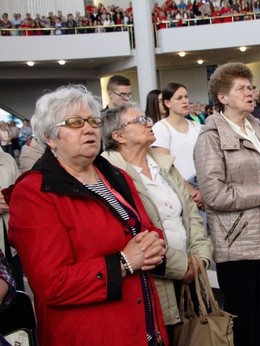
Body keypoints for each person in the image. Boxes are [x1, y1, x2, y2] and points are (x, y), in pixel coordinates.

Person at [7, 85, 168, 345]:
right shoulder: (34, 192)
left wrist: (155, 244)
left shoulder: (115, 175)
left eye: (93, 121)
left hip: (144, 326)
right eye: (75, 122)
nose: (89, 128)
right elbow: (52, 283)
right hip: (90, 334)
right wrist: (125, 262)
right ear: (50, 137)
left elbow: (145, 229)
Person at [101, 103, 213, 345]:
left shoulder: (162, 164)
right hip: (154, 280)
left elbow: (190, 213)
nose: (148, 122)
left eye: (146, 117)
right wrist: (183, 266)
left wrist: (200, 258)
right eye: (139, 120)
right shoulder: (109, 173)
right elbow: (135, 232)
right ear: (118, 136)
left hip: (191, 273)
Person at [193, 62, 260, 346]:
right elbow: (215, 195)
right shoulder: (210, 138)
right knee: (244, 319)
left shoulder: (254, 125)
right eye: (242, 88)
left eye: (251, 86)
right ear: (222, 97)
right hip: (236, 240)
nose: (250, 92)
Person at [152, 82, 204, 210]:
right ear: (167, 103)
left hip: (202, 183)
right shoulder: (161, 127)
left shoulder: (196, 126)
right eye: (179, 98)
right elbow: (165, 166)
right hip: (178, 186)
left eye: (186, 97)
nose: (185, 101)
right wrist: (191, 191)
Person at [0, 149, 22, 290]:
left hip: (12, 244)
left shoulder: (7, 159)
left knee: (18, 296)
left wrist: (13, 200)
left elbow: (20, 191)